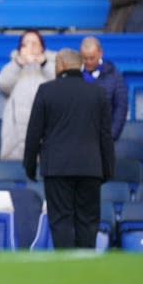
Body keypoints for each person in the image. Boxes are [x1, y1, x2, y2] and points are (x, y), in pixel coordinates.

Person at [23, 48, 114, 249]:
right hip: (91, 169)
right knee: (88, 221)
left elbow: (33, 133)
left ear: (61, 65)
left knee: (61, 220)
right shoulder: (98, 92)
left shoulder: (46, 90)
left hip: (57, 169)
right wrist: (107, 170)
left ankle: (66, 269)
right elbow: (105, 136)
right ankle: (85, 270)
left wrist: (29, 166)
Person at [0, 30, 56, 161]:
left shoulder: (51, 65)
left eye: (34, 43)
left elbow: (60, 85)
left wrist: (44, 63)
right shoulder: (13, 65)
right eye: (25, 44)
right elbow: (2, 84)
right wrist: (19, 63)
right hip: (16, 134)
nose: (30, 47)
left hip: (45, 133)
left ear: (42, 47)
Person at [79, 36, 128, 141]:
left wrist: (111, 136)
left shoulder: (114, 75)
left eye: (92, 58)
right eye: (84, 58)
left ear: (100, 53)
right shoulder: (74, 74)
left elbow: (121, 107)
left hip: (104, 139)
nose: (88, 62)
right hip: (78, 140)